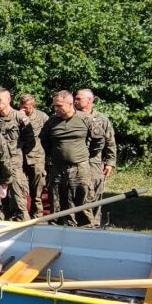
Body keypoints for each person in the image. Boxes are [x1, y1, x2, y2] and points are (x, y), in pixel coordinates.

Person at [39, 91, 100, 227]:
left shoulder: (85, 119)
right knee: (57, 203)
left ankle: (85, 233)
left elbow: (98, 141)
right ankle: (58, 231)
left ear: (70, 104)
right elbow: (44, 141)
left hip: (79, 169)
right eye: (54, 106)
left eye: (59, 106)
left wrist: (84, 156)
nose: (56, 109)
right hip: (57, 169)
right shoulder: (52, 122)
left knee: (82, 203)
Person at [0, 88, 34, 221]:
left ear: (8, 100)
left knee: (19, 200)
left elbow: (30, 141)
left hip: (14, 165)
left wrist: (18, 155)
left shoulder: (19, 117)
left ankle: (24, 229)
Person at [74, 88, 117, 223]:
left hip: (94, 162)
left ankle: (95, 223)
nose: (75, 101)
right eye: (75, 98)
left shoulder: (101, 119)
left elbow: (110, 141)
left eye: (79, 98)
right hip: (75, 162)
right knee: (76, 192)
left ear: (89, 100)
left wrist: (110, 162)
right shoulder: (72, 117)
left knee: (94, 192)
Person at [18, 93, 49, 218]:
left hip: (36, 158)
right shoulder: (16, 116)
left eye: (27, 107)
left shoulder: (43, 117)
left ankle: (37, 216)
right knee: (19, 189)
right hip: (19, 157)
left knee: (37, 192)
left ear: (33, 105)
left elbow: (48, 137)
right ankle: (21, 215)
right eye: (22, 106)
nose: (24, 109)